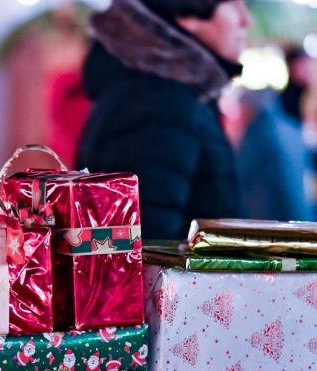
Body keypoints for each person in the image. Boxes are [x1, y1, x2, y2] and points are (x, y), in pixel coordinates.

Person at [77, 0, 251, 241]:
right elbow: (144, 250)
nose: (246, 20)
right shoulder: (159, 103)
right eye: (235, 5)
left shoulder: (170, 93)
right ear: (189, 14)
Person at [236, 89, 317, 222]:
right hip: (298, 215)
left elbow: (241, 174)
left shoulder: (259, 134)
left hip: (267, 218)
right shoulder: (290, 128)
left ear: (250, 107)